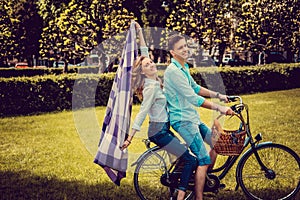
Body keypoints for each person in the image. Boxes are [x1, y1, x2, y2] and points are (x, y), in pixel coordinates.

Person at [120, 23, 197, 200]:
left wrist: (140, 32)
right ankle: (181, 196)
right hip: (158, 132)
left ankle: (177, 189)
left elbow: (145, 53)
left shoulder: (153, 80)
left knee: (182, 158)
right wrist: (131, 137)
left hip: (163, 130)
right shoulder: (151, 88)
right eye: (147, 65)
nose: (151, 65)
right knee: (190, 160)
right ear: (143, 72)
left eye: (151, 62)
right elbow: (142, 112)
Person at [164, 34, 235, 200]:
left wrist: (219, 95)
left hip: (192, 119)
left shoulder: (184, 68)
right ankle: (199, 196)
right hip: (183, 121)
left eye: (185, 46)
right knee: (203, 159)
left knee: (217, 144)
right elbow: (193, 98)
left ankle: (202, 179)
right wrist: (219, 107)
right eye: (180, 47)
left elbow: (196, 88)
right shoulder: (173, 71)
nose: (185, 49)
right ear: (173, 53)